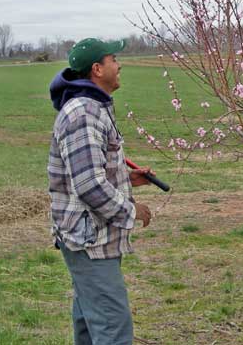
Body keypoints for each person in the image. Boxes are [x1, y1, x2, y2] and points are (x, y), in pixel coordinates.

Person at [48, 37, 152, 345]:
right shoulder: (83, 114)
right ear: (97, 69)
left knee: (90, 326)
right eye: (113, 59)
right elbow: (89, 186)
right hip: (89, 240)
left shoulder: (92, 107)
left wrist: (126, 177)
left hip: (91, 237)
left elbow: (87, 172)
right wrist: (132, 212)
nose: (119, 65)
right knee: (112, 329)